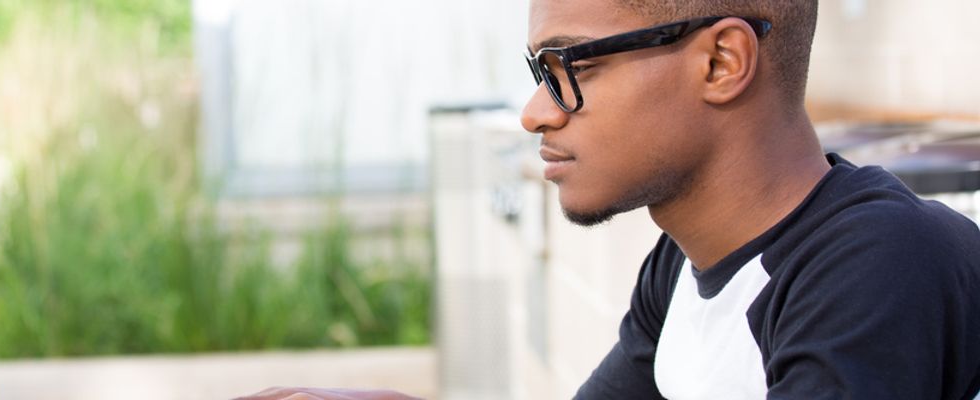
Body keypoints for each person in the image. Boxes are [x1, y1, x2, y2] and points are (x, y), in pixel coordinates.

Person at [239, 0, 980, 398]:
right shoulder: (682, 267)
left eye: (566, 64)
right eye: (538, 68)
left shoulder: (875, 269)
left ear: (721, 62)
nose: (535, 111)